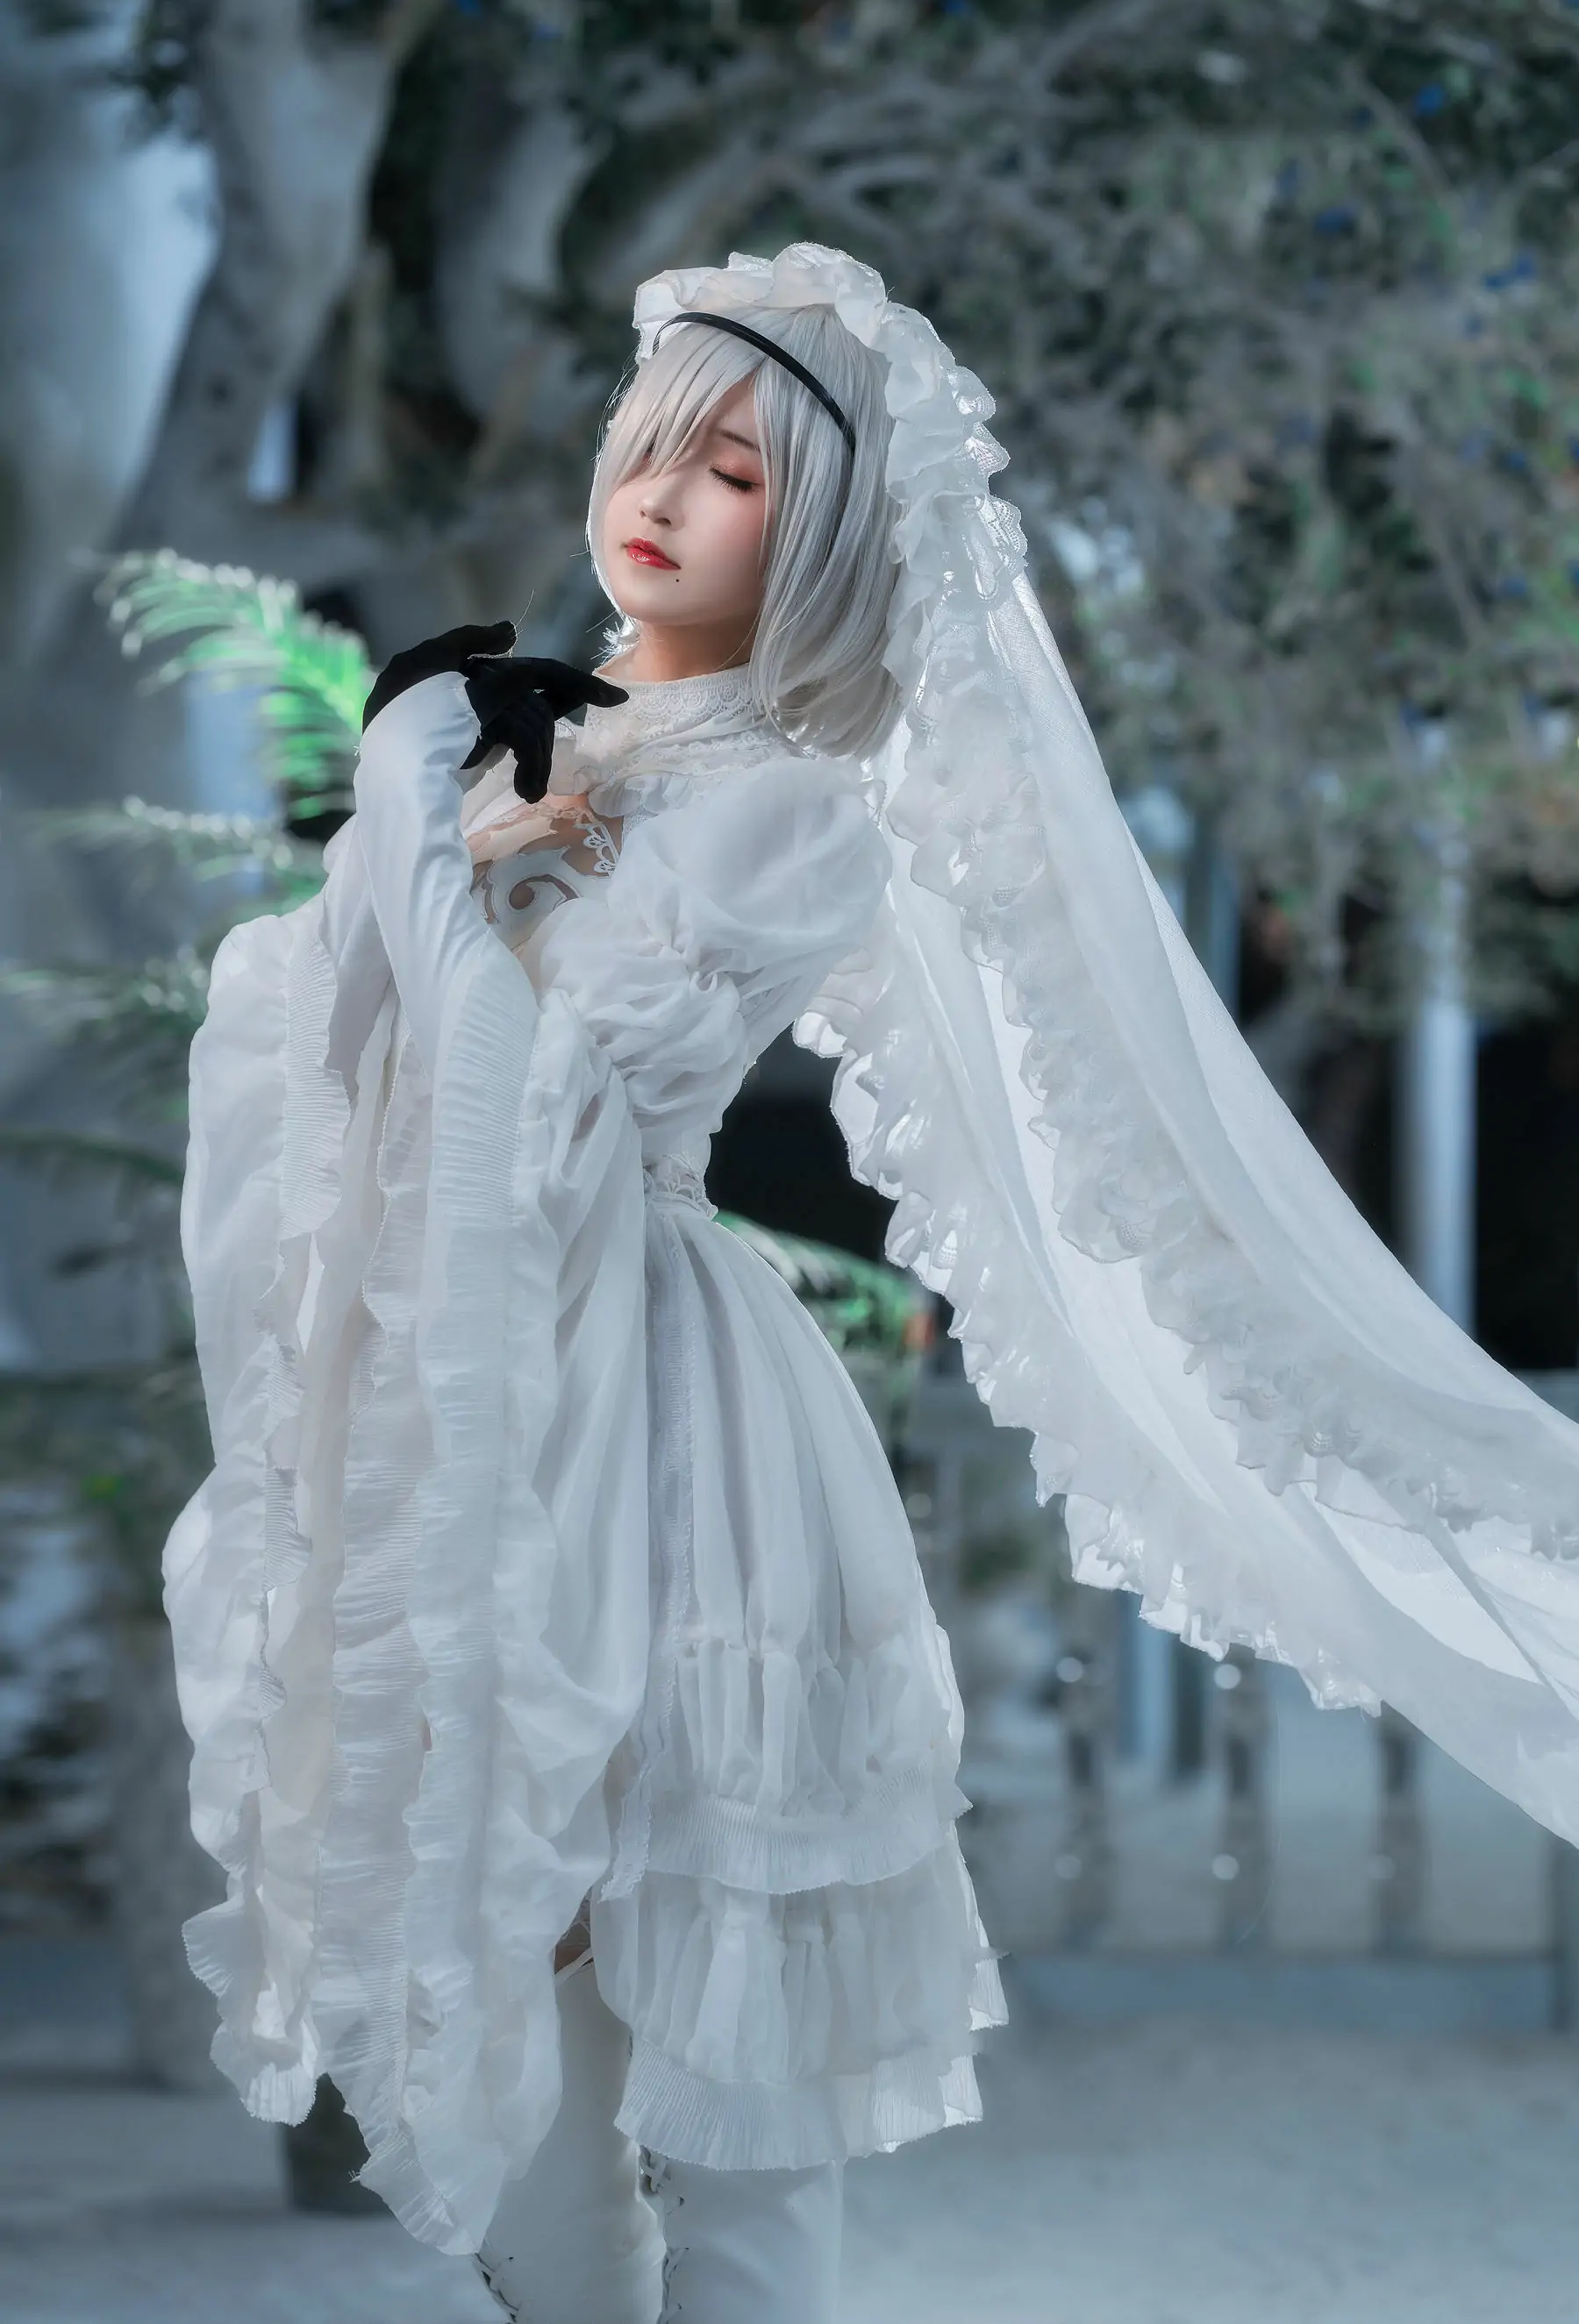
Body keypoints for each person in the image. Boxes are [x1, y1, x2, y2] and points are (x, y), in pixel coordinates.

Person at [167, 242, 1579, 2320]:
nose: (661, 493)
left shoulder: (787, 809)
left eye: (734, 470)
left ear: (821, 527)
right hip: (470, 1405)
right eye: (652, 443)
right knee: (495, 1996)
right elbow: (334, 1056)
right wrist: (429, 839)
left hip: (665, 1431)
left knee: (726, 2049)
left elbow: (550, 1111)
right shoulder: (531, 751)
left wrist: (416, 836)